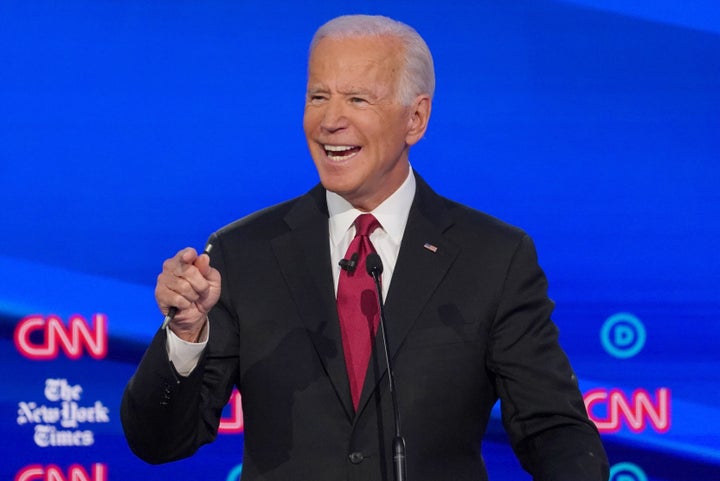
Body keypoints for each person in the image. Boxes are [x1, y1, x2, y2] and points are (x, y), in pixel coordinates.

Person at [121, 14, 609, 481]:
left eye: (357, 99)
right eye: (318, 96)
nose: (331, 120)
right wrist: (185, 334)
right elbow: (158, 442)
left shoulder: (494, 258)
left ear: (415, 119)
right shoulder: (242, 254)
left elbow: (554, 430)